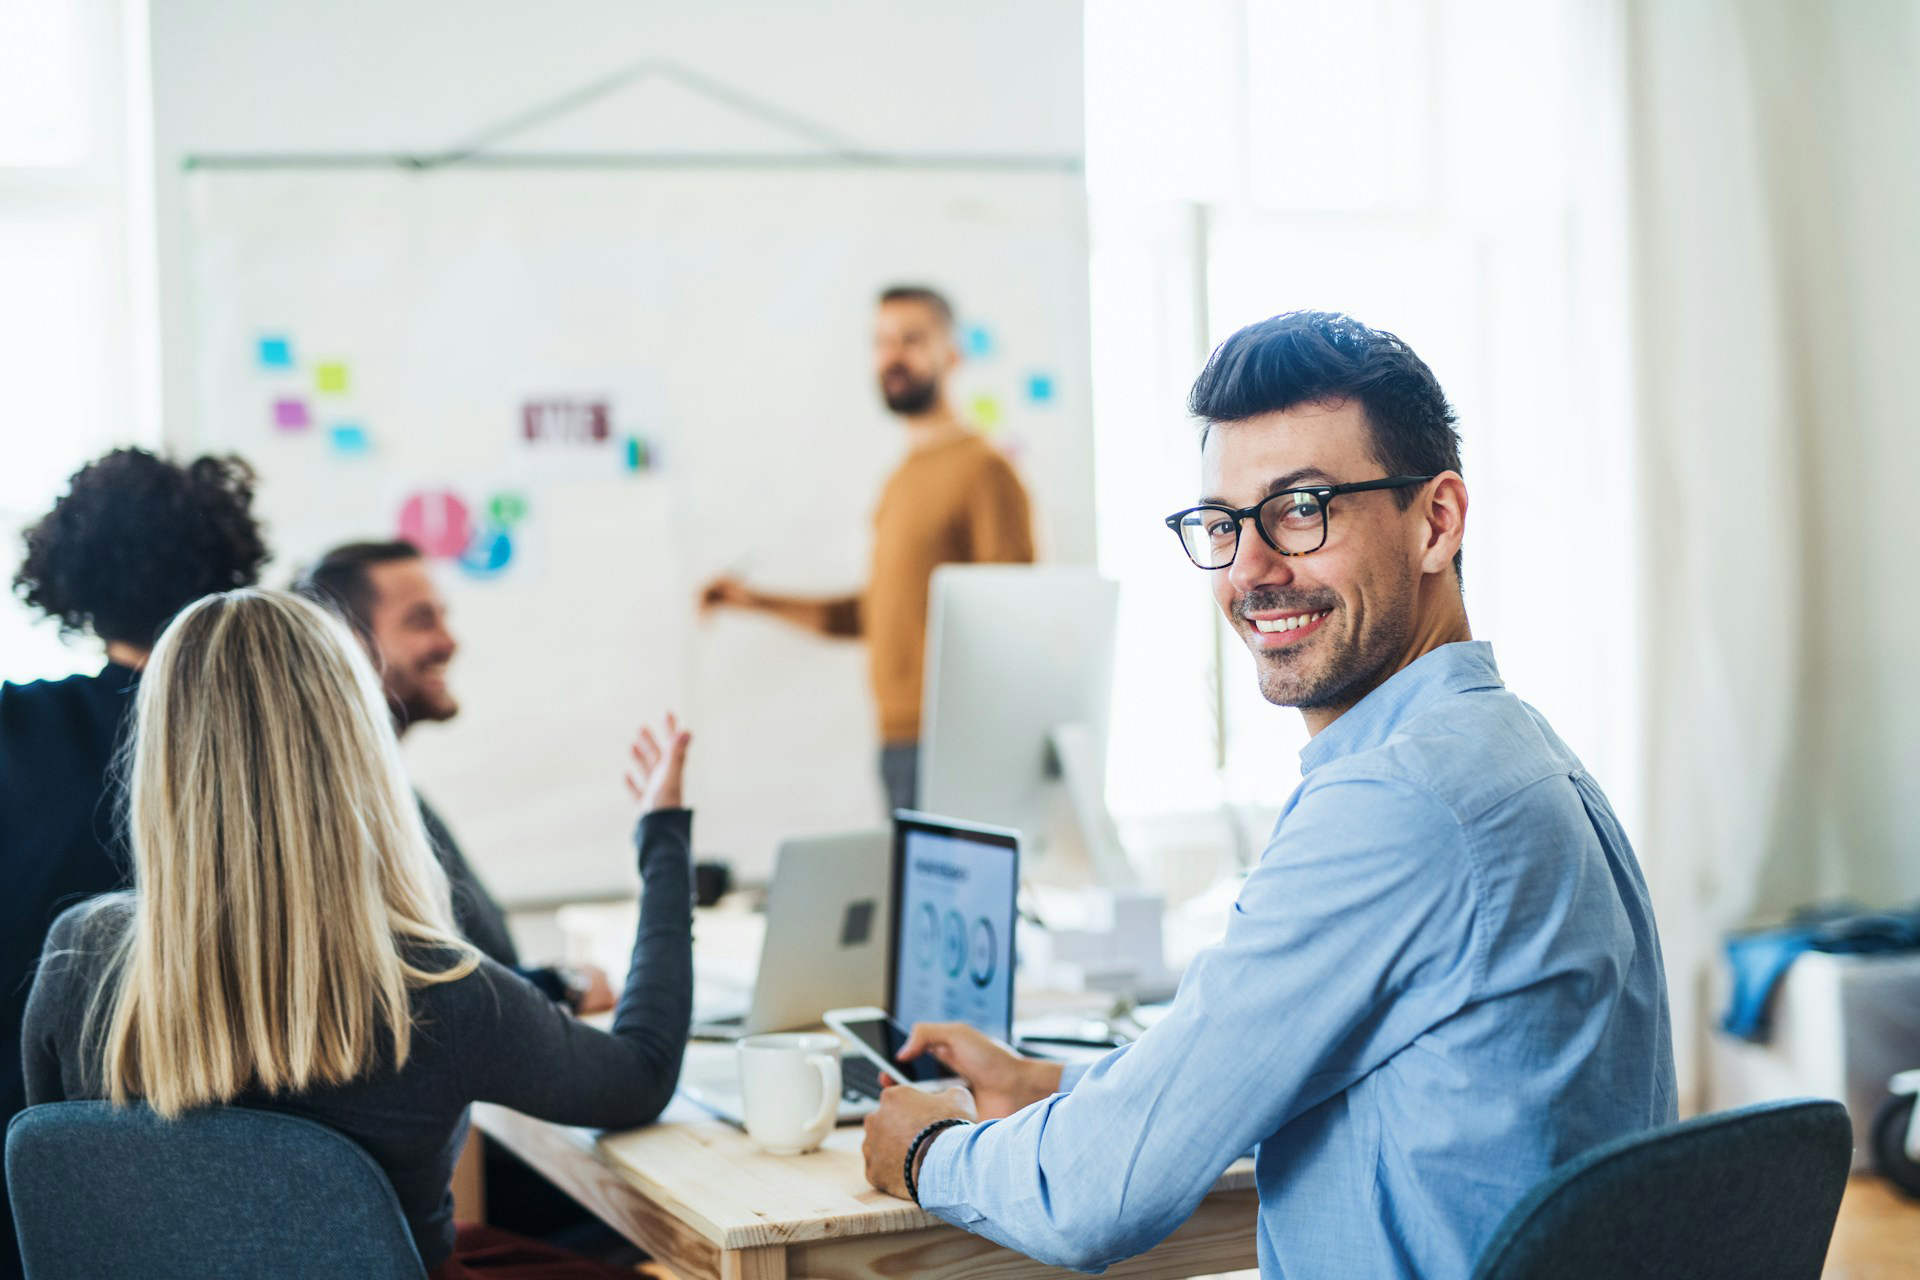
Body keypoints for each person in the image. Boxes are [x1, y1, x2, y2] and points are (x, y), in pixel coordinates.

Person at [859, 311, 1676, 1278]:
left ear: (1436, 523)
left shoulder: (1399, 801)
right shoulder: (1515, 750)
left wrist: (926, 1150)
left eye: (1301, 509)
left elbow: (1093, 1197)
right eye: (1222, 524)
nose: (1250, 569)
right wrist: (1050, 1083)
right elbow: (1261, 1060)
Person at [22, 590, 695, 1279]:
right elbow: (640, 1077)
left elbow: (65, 1179)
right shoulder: (432, 988)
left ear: (163, 756)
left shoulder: (80, 956)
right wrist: (663, 839)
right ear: (355, 747)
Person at [0, 447, 269, 1280]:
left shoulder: (14, 729)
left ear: (70, 583)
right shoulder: (269, 750)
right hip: (248, 1182)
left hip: (26, 1177)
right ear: (224, 569)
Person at [698, 285, 1035, 811]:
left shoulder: (985, 471)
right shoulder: (900, 480)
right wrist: (756, 602)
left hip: (955, 744)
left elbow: (1019, 619)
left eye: (911, 340)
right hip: (898, 745)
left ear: (952, 355)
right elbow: (877, 614)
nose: (892, 356)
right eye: (881, 342)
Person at [295, 540, 614, 1017]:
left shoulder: (392, 795)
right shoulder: (340, 814)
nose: (449, 642)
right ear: (349, 645)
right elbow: (409, 995)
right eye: (421, 621)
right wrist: (561, 985)